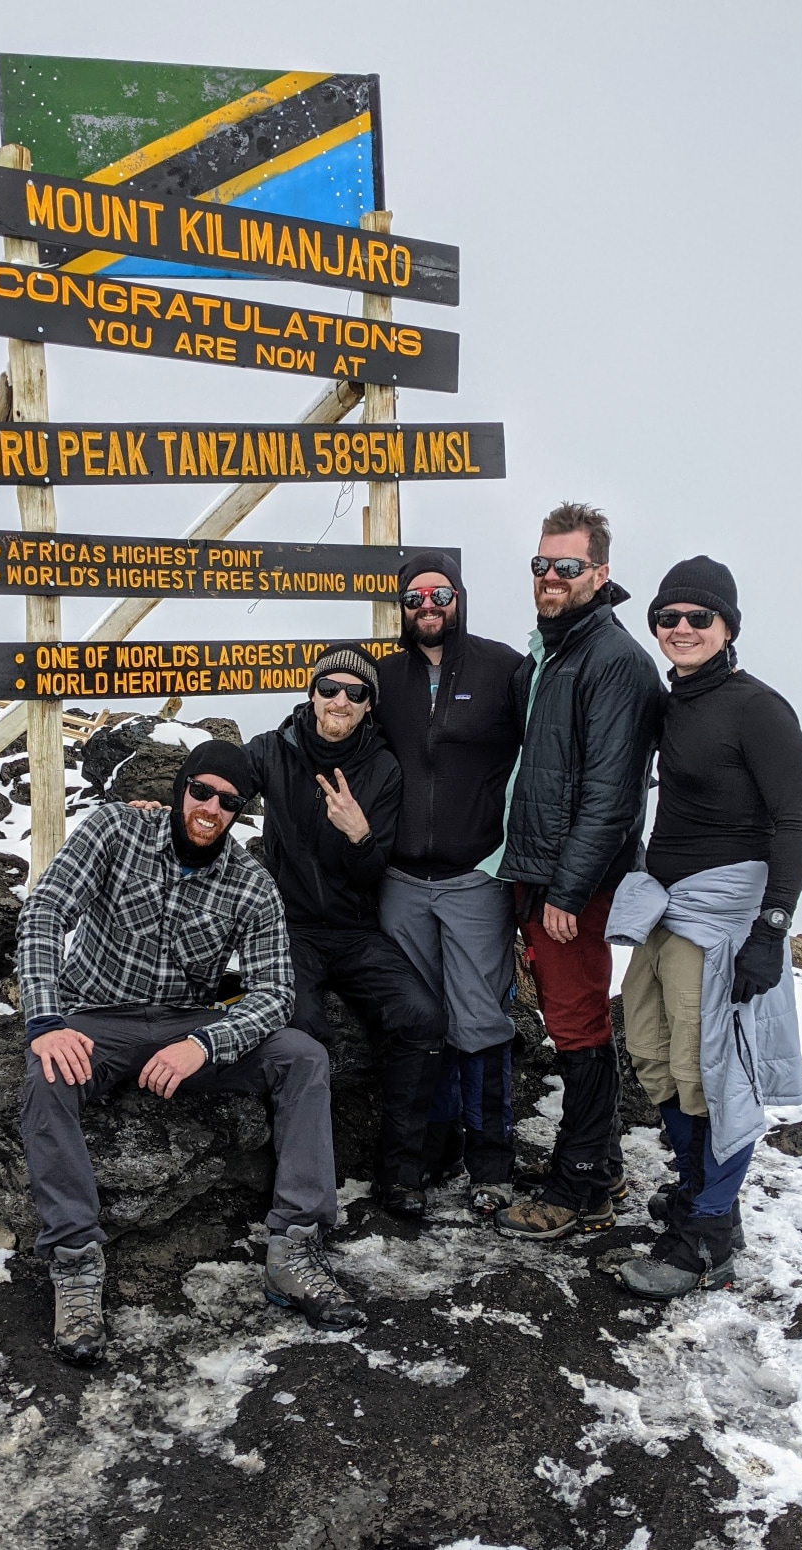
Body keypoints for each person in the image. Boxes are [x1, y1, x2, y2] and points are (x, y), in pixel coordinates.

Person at [17, 739, 364, 1365]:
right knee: (47, 1075)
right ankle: (73, 1264)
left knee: (303, 1055)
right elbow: (43, 914)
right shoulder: (116, 829)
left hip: (189, 1025)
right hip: (98, 1018)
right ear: (181, 789)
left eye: (229, 801)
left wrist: (205, 1043)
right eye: (200, 791)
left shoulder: (251, 884)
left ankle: (295, 1249)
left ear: (240, 811)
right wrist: (45, 1020)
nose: (211, 808)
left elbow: (276, 991)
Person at [606, 557, 802, 1299]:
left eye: (699, 617)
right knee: (653, 1051)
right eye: (669, 618)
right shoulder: (677, 703)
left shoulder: (758, 708)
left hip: (723, 915)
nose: (682, 629)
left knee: (710, 1075)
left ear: (728, 627)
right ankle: (701, 1195)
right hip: (666, 903)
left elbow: (796, 821)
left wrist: (772, 928)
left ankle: (707, 1239)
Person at [489, 502, 663, 1242]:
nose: (550, 578)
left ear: (600, 572)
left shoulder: (615, 661)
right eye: (541, 565)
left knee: (579, 1026)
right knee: (574, 1022)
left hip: (575, 885)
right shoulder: (556, 651)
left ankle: (581, 1189)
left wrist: (567, 889)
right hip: (543, 873)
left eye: (566, 567)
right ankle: (603, 1163)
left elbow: (612, 794)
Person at [239, 643, 449, 1219]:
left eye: (355, 693)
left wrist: (359, 834)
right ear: (311, 694)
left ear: (368, 705)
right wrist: (172, 799)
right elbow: (224, 779)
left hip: (358, 930)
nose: (340, 700)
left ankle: (401, 1174)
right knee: (303, 1033)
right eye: (329, 688)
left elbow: (371, 870)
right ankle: (302, 1181)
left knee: (423, 1017)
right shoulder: (274, 749)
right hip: (291, 928)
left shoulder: (382, 768)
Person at [374, 550, 525, 1214]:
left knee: (480, 1021)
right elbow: (331, 737)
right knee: (421, 1020)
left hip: (474, 878)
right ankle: (433, 1151)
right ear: (401, 609)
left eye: (439, 597)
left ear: (460, 598)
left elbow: (547, 752)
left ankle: (492, 1160)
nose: (427, 609)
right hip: (401, 880)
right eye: (414, 600)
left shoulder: (502, 670)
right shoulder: (383, 678)